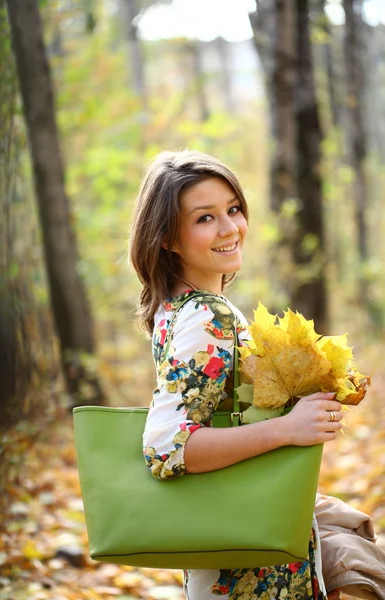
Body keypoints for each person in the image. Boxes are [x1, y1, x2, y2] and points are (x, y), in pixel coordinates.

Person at [128, 149, 342, 600]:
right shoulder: (208, 316)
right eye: (205, 218)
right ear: (167, 237)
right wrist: (289, 429)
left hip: (238, 549)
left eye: (234, 209)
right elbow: (168, 448)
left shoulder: (176, 308)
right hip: (247, 573)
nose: (230, 229)